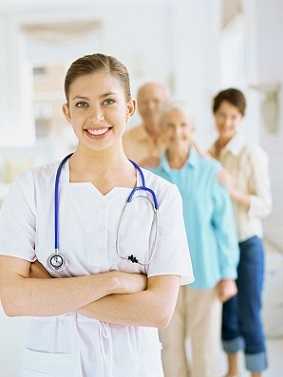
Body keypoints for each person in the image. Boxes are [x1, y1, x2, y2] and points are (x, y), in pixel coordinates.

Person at [0, 54, 193, 377]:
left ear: (129, 108)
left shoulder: (162, 197)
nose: (96, 116)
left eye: (108, 101)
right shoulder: (32, 189)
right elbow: (14, 299)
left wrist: (54, 292)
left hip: (133, 365)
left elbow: (159, 310)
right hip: (55, 364)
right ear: (66, 112)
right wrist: (115, 282)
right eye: (81, 104)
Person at [152, 103, 239, 377]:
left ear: (193, 130)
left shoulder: (211, 172)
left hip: (205, 273)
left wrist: (228, 274)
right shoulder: (151, 176)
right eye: (170, 125)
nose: (177, 132)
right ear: (161, 131)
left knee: (204, 350)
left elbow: (225, 228)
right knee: (170, 347)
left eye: (183, 125)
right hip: (164, 277)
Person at [209, 88, 272, 377]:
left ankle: (256, 374)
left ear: (241, 118)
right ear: (214, 115)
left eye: (233, 117)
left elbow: (265, 204)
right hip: (220, 247)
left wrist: (234, 192)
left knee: (249, 314)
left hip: (247, 245)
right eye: (222, 115)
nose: (227, 122)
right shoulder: (209, 154)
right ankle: (232, 371)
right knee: (227, 313)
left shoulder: (251, 154)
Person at [123, 81, 170, 167]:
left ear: (166, 104)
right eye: (145, 102)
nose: (150, 107)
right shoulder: (124, 140)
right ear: (136, 106)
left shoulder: (178, 137)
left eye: (156, 101)